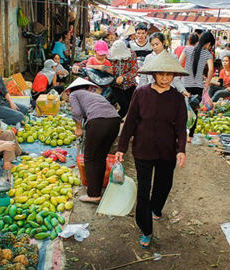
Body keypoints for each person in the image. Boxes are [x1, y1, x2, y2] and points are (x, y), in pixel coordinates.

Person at [116, 51, 188, 249]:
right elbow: (130, 121)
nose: (165, 78)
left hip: (167, 150)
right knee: (143, 191)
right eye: (161, 74)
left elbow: (181, 126)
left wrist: (181, 149)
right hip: (143, 149)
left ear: (174, 76)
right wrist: (121, 147)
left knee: (164, 185)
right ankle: (146, 229)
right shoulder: (141, 93)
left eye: (169, 74)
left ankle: (156, 208)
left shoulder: (177, 98)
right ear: (153, 74)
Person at [65, 78, 121, 203]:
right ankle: (97, 188)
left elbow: (76, 112)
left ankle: (93, 194)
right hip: (115, 122)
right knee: (100, 157)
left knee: (89, 158)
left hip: (98, 122)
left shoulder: (74, 94)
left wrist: (78, 128)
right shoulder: (95, 96)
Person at [179, 31, 215, 141]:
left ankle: (181, 134)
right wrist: (207, 83)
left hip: (185, 84)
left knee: (182, 110)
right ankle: (190, 136)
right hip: (198, 86)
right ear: (208, 43)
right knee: (194, 110)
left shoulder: (187, 49)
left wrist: (179, 79)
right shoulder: (208, 54)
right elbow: (211, 69)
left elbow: (179, 64)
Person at [108, 40, 139, 118]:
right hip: (115, 86)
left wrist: (124, 77)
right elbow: (97, 62)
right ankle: (115, 121)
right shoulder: (108, 55)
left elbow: (134, 70)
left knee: (131, 107)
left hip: (130, 85)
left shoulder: (132, 54)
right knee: (124, 106)